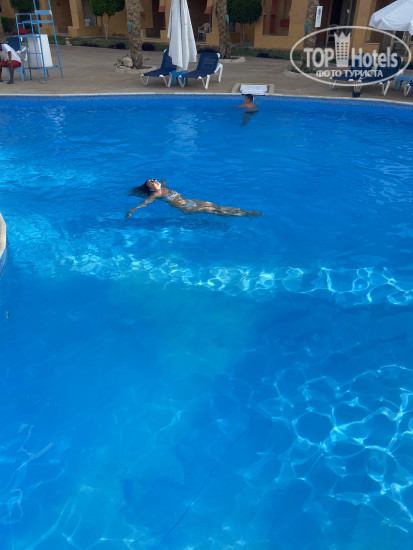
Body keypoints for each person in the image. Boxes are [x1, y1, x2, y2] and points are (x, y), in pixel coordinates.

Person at [126, 179, 262, 218]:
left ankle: (244, 212)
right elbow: (144, 204)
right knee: (217, 211)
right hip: (187, 207)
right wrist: (131, 212)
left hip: (190, 201)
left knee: (217, 207)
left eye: (153, 179)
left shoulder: (163, 188)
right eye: (151, 182)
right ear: (151, 189)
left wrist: (163, 181)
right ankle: (246, 213)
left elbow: (163, 182)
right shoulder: (155, 194)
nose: (154, 180)